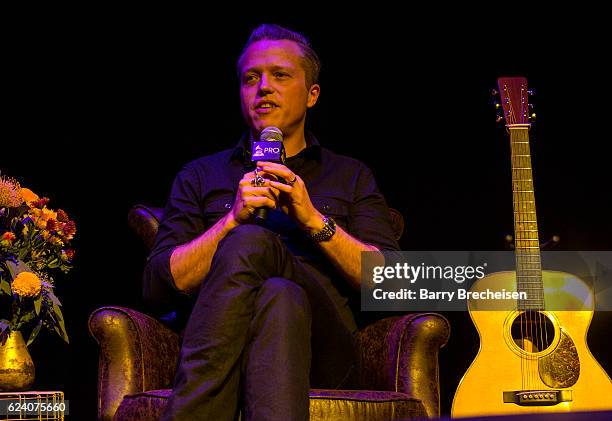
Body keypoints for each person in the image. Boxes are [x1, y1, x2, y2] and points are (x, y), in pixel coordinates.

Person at [143, 23, 399, 421]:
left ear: (312, 94)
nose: (263, 87)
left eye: (280, 75)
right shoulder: (199, 175)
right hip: (225, 342)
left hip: (324, 351)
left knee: (251, 243)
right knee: (279, 295)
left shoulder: (350, 175)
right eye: (251, 78)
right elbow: (158, 287)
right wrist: (230, 220)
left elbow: (393, 282)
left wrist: (313, 219)